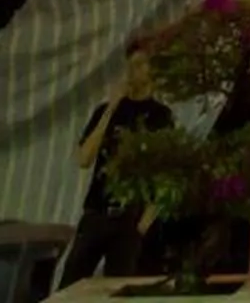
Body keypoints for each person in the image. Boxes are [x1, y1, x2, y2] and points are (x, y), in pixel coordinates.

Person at [62, 41, 177, 285]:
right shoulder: (107, 110)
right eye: (130, 66)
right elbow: (84, 158)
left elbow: (165, 173)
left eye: (140, 65)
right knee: (72, 282)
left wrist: (143, 223)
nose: (133, 71)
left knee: (119, 286)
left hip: (129, 217)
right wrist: (110, 110)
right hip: (97, 213)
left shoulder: (160, 116)